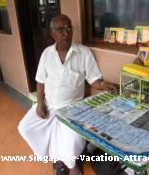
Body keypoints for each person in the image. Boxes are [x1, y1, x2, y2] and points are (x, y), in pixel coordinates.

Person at [18, 14, 117, 175]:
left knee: (73, 140)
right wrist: (40, 103)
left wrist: (105, 85)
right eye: (61, 29)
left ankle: (71, 164)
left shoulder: (84, 53)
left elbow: (93, 81)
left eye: (69, 28)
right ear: (52, 33)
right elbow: (40, 82)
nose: (66, 33)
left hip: (72, 109)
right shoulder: (46, 54)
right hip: (49, 105)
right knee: (25, 128)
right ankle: (56, 159)